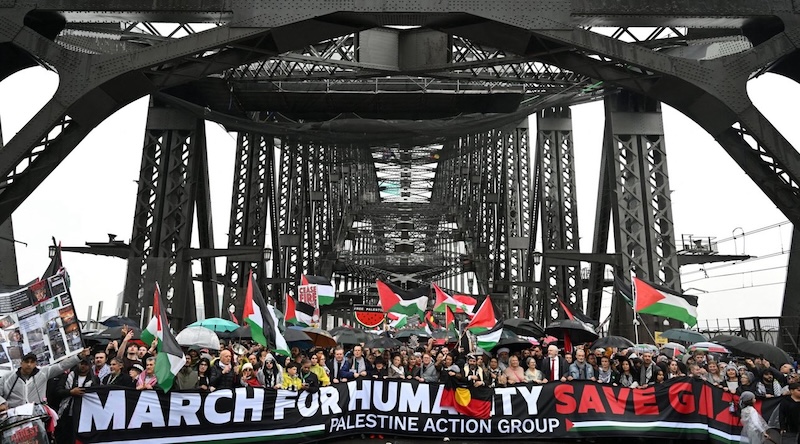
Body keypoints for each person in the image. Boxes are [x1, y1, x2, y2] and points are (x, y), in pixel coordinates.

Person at [1, 348, 91, 408]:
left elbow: (61, 366)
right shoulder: (7, 377)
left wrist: (79, 357)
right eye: (26, 361)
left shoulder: (43, 373)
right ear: (21, 363)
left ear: (35, 363)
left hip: (37, 416)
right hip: (14, 417)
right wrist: (1, 403)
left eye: (32, 362)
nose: (29, 364)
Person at [55, 356, 100, 444]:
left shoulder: (94, 380)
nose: (83, 366)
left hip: (84, 414)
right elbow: (58, 391)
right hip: (66, 412)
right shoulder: (68, 376)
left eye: (86, 364)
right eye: (81, 363)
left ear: (90, 365)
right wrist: (70, 392)